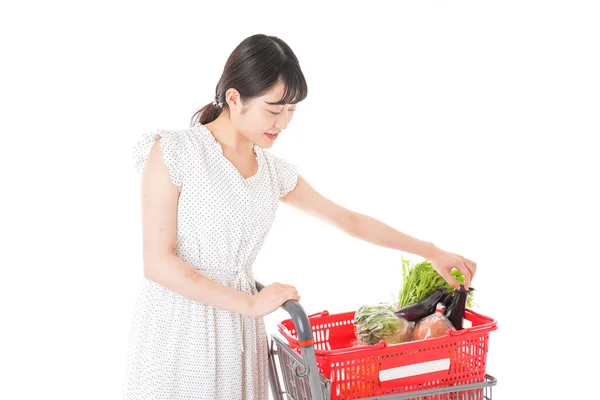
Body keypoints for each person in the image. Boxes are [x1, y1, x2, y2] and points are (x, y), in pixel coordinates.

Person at [122, 33, 477, 400]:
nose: (284, 123)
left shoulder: (272, 172)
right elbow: (158, 263)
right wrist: (249, 304)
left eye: (291, 110)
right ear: (234, 98)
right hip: (179, 326)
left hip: (240, 335)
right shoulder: (175, 152)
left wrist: (431, 250)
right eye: (274, 109)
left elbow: (349, 221)